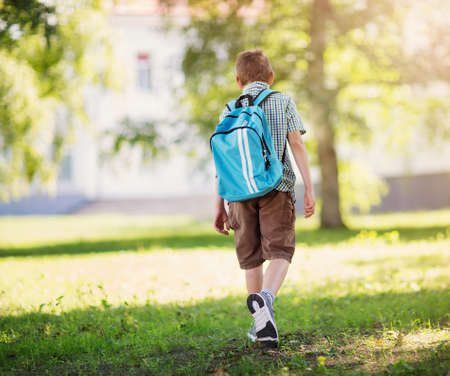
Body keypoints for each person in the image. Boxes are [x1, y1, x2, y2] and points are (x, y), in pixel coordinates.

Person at [213, 49, 316, 348]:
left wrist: (219, 204)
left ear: (237, 80)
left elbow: (222, 162)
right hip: (276, 187)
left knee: (251, 258)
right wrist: (309, 187)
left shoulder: (228, 108)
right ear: (271, 77)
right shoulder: (282, 100)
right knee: (281, 252)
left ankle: (260, 327)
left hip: (238, 194)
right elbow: (296, 143)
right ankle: (266, 300)